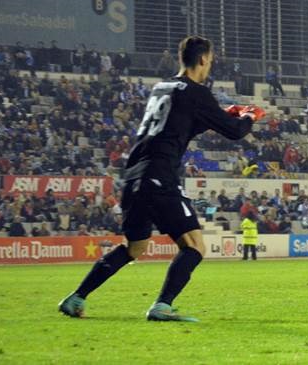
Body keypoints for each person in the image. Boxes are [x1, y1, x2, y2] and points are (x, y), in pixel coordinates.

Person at [59, 36, 265, 322]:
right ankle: (162, 306)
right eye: (211, 60)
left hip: (133, 176)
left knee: (134, 247)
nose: (210, 65)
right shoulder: (197, 92)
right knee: (194, 246)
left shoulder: (161, 88)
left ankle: (76, 297)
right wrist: (250, 116)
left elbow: (179, 124)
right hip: (160, 175)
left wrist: (218, 114)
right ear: (203, 59)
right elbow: (235, 131)